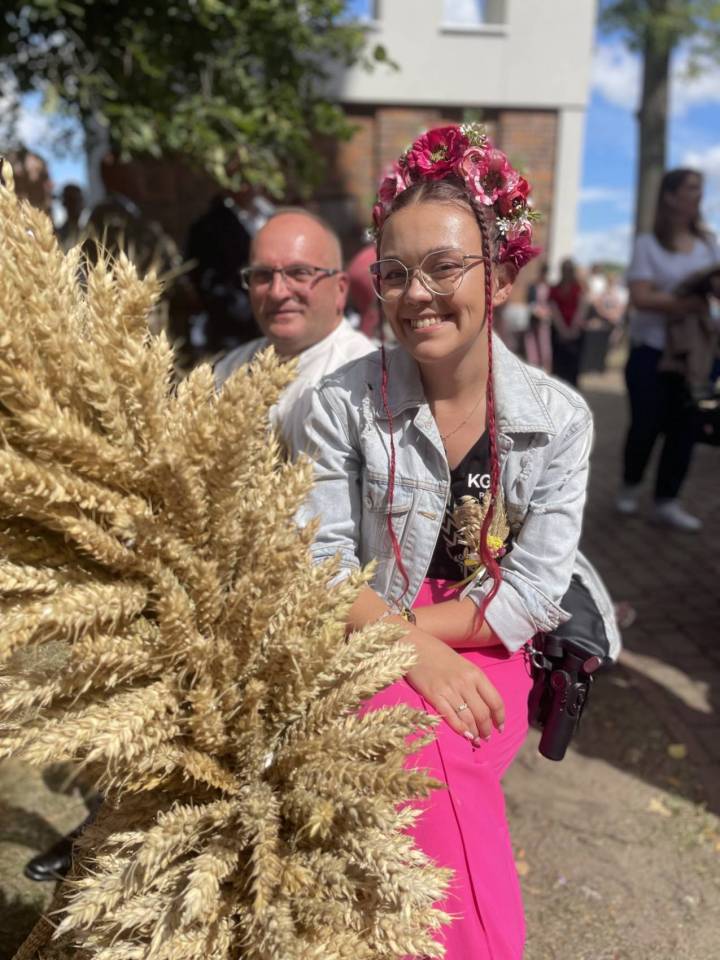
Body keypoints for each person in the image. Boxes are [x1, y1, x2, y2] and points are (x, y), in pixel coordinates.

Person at [297, 124, 594, 958]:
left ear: (498, 275)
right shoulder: (341, 403)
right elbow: (321, 562)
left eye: (444, 266)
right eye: (395, 272)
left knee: (429, 750)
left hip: (482, 631)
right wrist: (405, 647)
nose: (416, 293)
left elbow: (532, 590)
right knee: (419, 747)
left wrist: (416, 639)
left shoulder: (560, 421)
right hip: (360, 615)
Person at [214, 208, 375, 454]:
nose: (277, 292)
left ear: (340, 289)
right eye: (262, 275)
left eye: (299, 273)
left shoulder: (363, 380)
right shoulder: (229, 369)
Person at [617, 168, 719, 531]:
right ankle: (630, 484)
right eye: (691, 188)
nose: (697, 195)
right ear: (670, 196)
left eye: (699, 189)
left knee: (685, 428)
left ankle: (667, 500)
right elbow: (641, 297)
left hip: (694, 355)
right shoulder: (648, 244)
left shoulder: (709, 244)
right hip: (652, 350)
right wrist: (685, 302)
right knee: (645, 426)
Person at [548, 257, 587, 386]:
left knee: (573, 366)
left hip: (576, 332)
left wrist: (573, 329)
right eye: (565, 269)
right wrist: (563, 330)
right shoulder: (554, 289)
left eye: (569, 269)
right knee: (559, 366)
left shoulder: (578, 288)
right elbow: (554, 310)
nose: (567, 272)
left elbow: (581, 308)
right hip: (558, 332)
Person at [524, 261, 553, 371]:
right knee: (533, 347)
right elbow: (530, 303)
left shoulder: (549, 287)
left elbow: (552, 304)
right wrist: (538, 312)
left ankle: (545, 369)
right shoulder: (533, 286)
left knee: (545, 347)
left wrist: (547, 313)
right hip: (534, 320)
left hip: (545, 322)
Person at [56, 183, 85, 251]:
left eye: (78, 200)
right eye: (71, 200)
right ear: (64, 203)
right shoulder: (58, 235)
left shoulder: (89, 230)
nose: (76, 205)